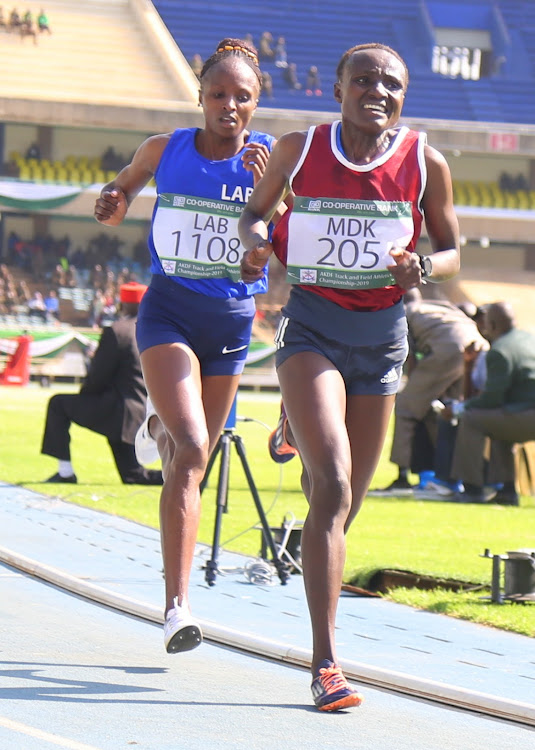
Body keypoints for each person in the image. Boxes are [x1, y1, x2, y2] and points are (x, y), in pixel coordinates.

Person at [238, 42, 460, 711]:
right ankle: (326, 664)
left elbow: (449, 249)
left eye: (390, 83)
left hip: (381, 342)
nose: (377, 90)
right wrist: (254, 244)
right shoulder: (299, 150)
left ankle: (301, 428)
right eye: (362, 79)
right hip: (311, 330)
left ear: (403, 95)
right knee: (331, 486)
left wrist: (420, 267)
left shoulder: (425, 161)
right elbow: (255, 214)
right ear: (335, 89)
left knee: (340, 505)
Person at [93, 39, 278, 656]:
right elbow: (119, 190)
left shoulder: (270, 161)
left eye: (242, 97)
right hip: (169, 311)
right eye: (218, 94)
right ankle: (177, 607)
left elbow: (286, 243)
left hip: (230, 322)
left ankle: (157, 422)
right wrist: (113, 201)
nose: (229, 106)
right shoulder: (164, 149)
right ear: (200, 96)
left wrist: (266, 218)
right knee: (195, 447)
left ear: (256, 103)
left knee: (188, 453)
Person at [40, 282, 163, 486]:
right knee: (133, 475)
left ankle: (65, 472)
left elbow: (99, 375)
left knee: (58, 405)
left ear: (123, 304)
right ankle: (181, 475)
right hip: (144, 412)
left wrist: (86, 397)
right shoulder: (157, 331)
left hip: (116, 411)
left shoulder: (117, 331)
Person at [368, 288, 485, 496]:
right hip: (476, 346)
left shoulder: (405, 312)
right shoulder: (438, 307)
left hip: (448, 350)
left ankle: (402, 479)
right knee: (446, 411)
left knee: (405, 406)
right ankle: (448, 477)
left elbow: (409, 357)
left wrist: (413, 391)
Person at [446, 301, 535, 505]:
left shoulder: (499, 351)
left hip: (529, 416)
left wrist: (458, 410)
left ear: (492, 325)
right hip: (522, 412)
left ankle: (472, 489)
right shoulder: (529, 339)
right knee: (498, 423)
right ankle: (506, 491)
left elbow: (491, 399)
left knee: (472, 419)